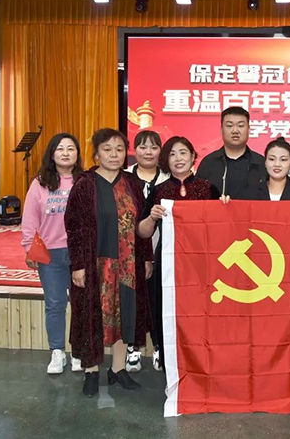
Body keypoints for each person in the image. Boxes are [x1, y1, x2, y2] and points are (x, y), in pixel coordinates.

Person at [65, 128, 153, 397]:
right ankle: (91, 370)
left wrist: (146, 258)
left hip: (128, 265)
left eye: (119, 149)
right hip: (96, 265)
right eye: (107, 149)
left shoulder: (132, 183)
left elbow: (142, 222)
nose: (114, 154)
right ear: (96, 154)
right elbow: (74, 227)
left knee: (124, 314)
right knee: (93, 316)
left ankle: (118, 368)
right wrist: (78, 265)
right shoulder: (85, 184)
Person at [137, 137, 215, 375]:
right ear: (165, 160)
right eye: (172, 154)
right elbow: (142, 231)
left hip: (201, 264)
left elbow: (222, 225)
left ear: (192, 157)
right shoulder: (159, 191)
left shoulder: (208, 188)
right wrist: (152, 217)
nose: (178, 158)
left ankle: (200, 363)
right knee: (167, 310)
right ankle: (169, 363)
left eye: (183, 153)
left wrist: (224, 205)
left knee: (199, 312)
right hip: (168, 263)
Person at [21, 133, 84, 375]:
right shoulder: (40, 183)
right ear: (52, 153)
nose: (66, 153)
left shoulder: (85, 181)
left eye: (71, 148)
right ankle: (57, 351)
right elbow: (30, 218)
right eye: (60, 148)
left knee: (81, 304)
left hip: (80, 253)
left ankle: (79, 351)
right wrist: (29, 247)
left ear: (77, 154)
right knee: (55, 304)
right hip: (50, 254)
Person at [124, 130, 169, 373]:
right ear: (135, 150)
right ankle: (133, 347)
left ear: (160, 151)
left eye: (153, 147)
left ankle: (159, 346)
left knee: (158, 299)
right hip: (128, 252)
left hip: (161, 250)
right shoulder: (124, 178)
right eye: (142, 147)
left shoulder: (168, 178)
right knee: (132, 300)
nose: (148, 152)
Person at [195, 106, 265, 198]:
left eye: (240, 126)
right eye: (229, 126)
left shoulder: (262, 164)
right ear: (221, 129)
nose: (235, 131)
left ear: (248, 129)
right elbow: (197, 199)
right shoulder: (208, 163)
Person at [239, 137, 290, 202]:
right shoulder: (249, 195)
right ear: (265, 162)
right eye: (272, 159)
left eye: (283, 160)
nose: (277, 164)